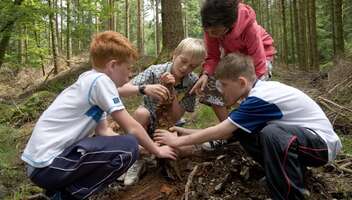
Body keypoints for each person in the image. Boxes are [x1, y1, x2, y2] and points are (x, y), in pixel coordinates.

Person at [155, 53, 342, 200]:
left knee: (271, 133)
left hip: (321, 145)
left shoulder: (260, 98)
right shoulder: (256, 96)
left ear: (242, 82)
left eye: (224, 86)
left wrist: (177, 142)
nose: (220, 92)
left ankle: (289, 194)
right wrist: (183, 131)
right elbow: (230, 132)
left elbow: (223, 130)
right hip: (301, 141)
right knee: (244, 131)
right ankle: (284, 174)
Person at [21, 31, 177, 200]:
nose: (130, 74)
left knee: (128, 146)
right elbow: (131, 127)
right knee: (129, 144)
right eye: (128, 67)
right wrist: (158, 150)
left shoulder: (90, 80)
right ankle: (66, 196)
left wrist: (144, 150)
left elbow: (104, 132)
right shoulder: (101, 82)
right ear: (112, 65)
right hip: (48, 166)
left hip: (41, 167)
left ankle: (56, 192)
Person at [118, 37, 206, 185]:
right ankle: (136, 160)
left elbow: (174, 117)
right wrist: (145, 89)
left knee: (173, 152)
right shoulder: (155, 71)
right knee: (141, 113)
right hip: (146, 122)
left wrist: (171, 90)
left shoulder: (192, 82)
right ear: (174, 55)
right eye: (183, 61)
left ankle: (155, 158)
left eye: (192, 66)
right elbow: (121, 89)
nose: (185, 68)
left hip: (170, 125)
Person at [190, 0, 276, 123]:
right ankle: (228, 130)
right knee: (211, 83)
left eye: (214, 32)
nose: (210, 34)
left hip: (260, 58)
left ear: (228, 25)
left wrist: (245, 91)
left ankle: (250, 127)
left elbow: (259, 62)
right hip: (234, 55)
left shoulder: (249, 27)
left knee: (252, 93)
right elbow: (213, 56)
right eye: (207, 30)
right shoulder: (211, 26)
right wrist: (205, 74)